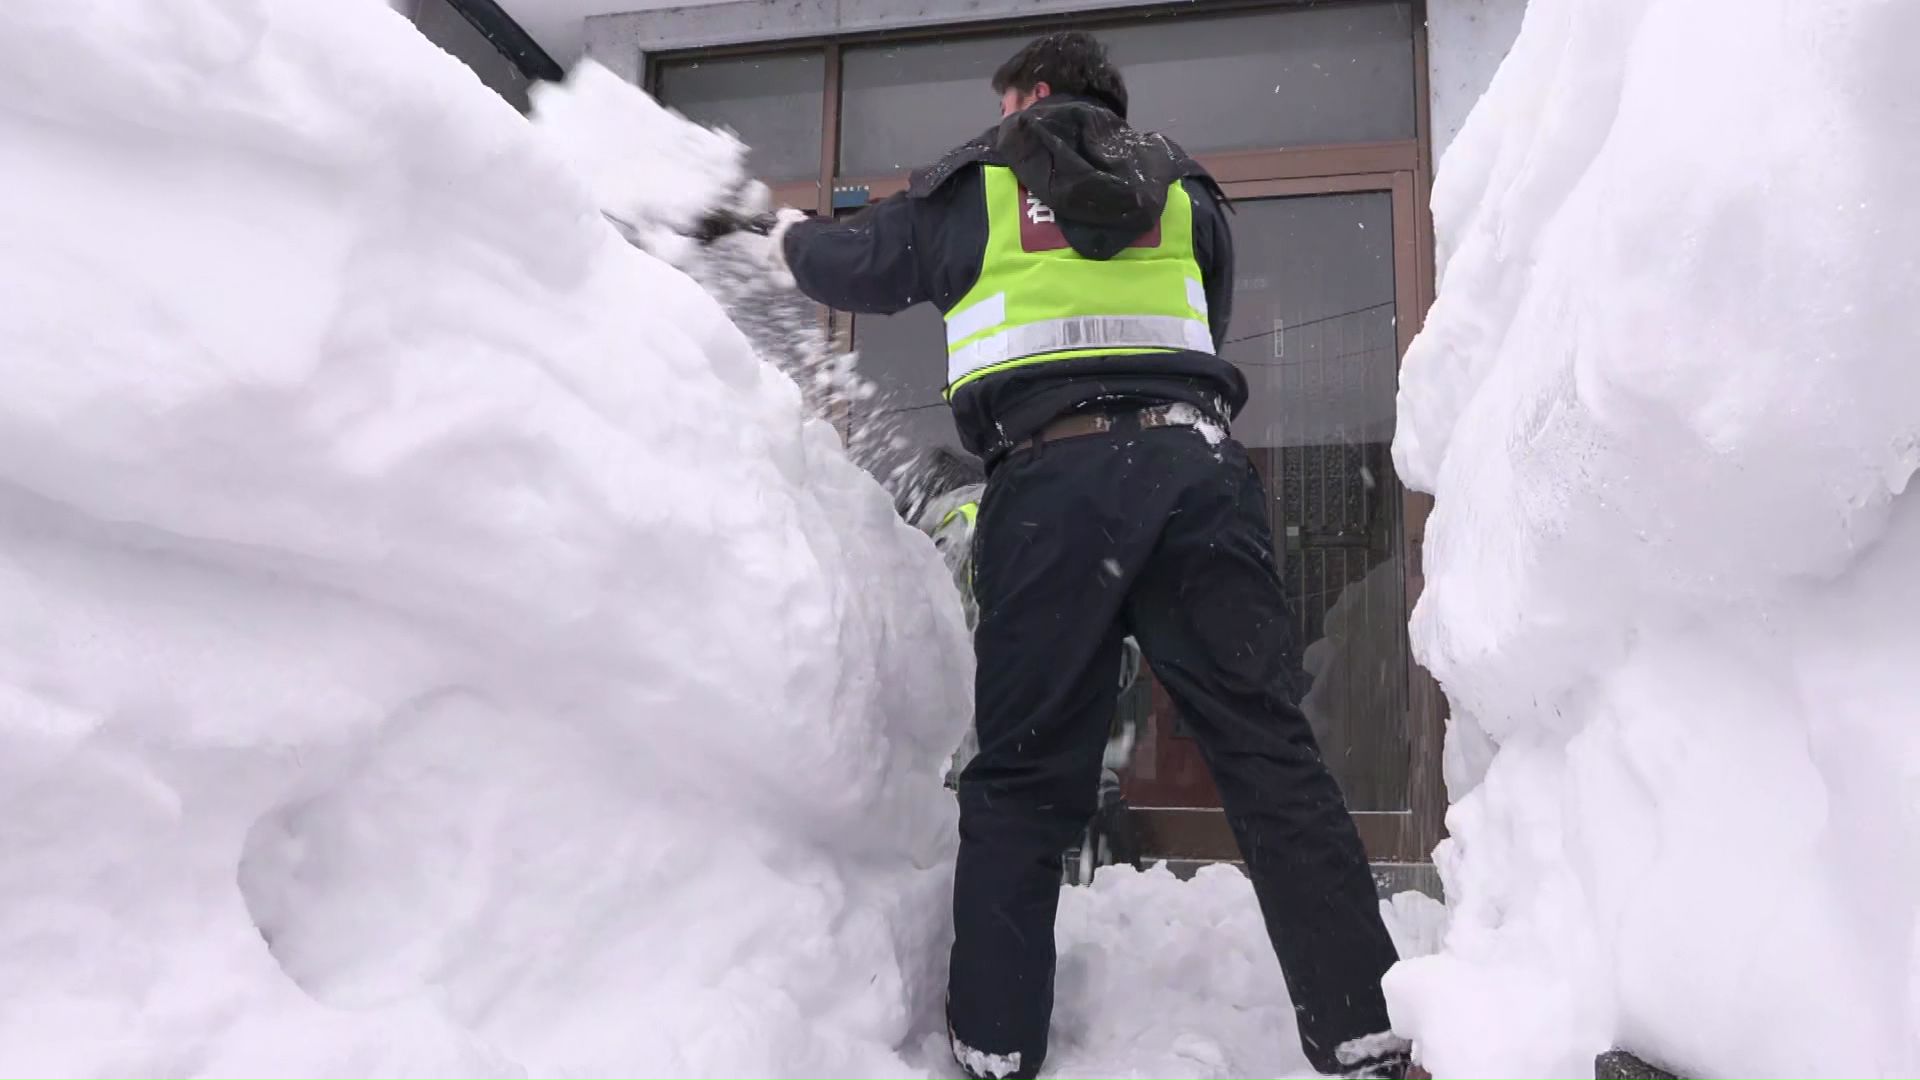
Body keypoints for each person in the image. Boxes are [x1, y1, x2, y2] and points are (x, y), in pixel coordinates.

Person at [763, 32, 1413, 1080]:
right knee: (1271, 758)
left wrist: (781, 234)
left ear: (1030, 95)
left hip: (1054, 484)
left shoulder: (978, 185)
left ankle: (997, 1048)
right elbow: (1205, 324)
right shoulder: (1186, 192)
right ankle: (1367, 1031)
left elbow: (858, 267)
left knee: (1022, 780)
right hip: (1194, 470)